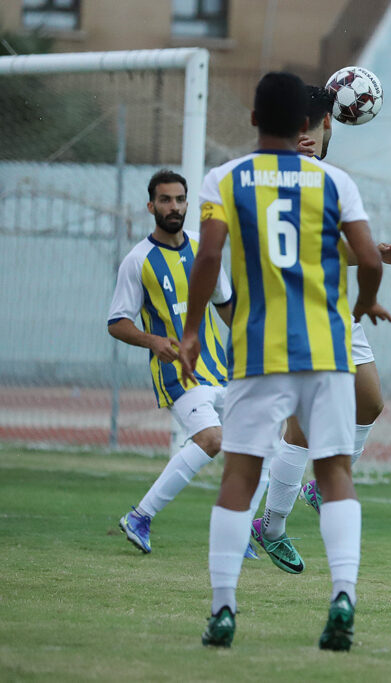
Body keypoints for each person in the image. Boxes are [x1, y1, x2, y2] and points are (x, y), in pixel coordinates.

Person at [180, 71, 391, 650]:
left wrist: (194, 327)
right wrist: (368, 299)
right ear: (307, 124)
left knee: (239, 475)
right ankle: (342, 596)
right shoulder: (333, 181)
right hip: (324, 350)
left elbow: (210, 256)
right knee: (336, 472)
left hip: (258, 350)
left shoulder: (223, 180)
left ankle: (224, 609)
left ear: (252, 119)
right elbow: (368, 258)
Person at [250, 86, 391, 572]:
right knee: (300, 422)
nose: (305, 136)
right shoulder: (263, 174)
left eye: (312, 125)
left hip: (334, 307)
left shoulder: (333, 179)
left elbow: (333, 238)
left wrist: (374, 251)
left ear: (329, 126)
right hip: (291, 310)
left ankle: (312, 491)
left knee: (371, 400)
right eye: (295, 126)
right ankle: (269, 526)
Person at [107, 170, 264, 558]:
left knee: (266, 441)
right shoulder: (137, 261)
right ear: (151, 206)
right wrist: (153, 340)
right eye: (165, 200)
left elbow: (226, 304)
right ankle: (140, 516)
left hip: (219, 371)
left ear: (188, 203)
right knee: (211, 439)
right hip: (178, 375)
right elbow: (117, 323)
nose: (173, 206)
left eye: (179, 199)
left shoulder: (203, 249)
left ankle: (240, 528)